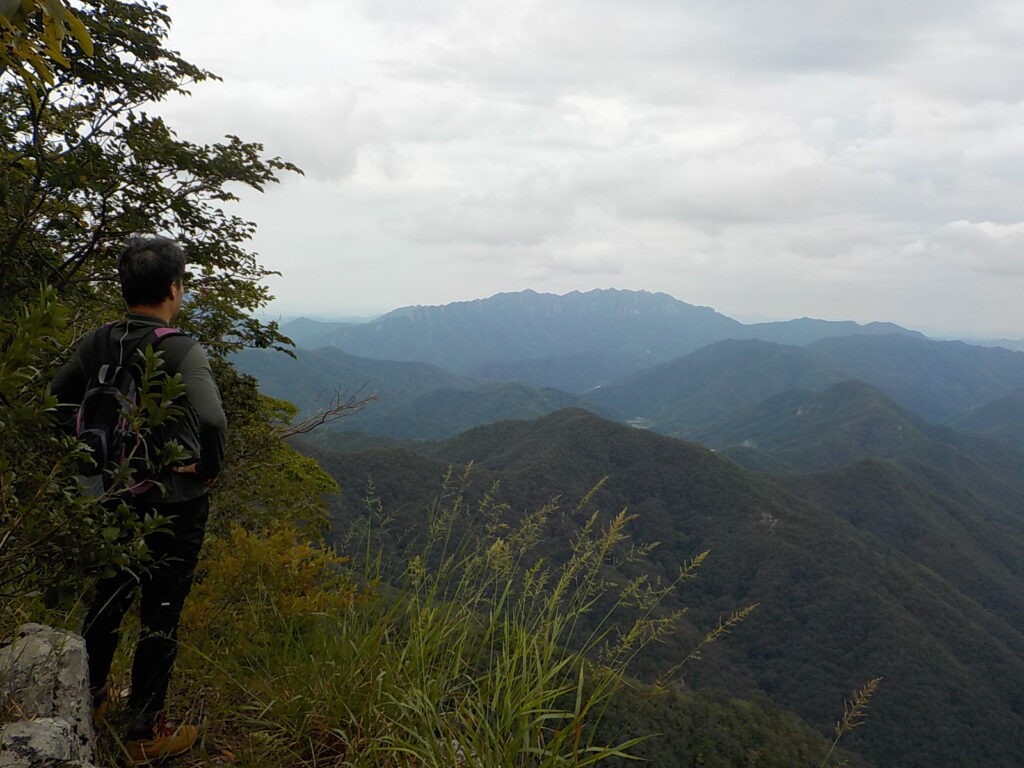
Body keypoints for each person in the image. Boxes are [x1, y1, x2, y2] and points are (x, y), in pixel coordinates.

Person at [51, 235, 226, 764]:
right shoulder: (179, 347)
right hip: (175, 502)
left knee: (106, 600)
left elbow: (56, 400)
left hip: (113, 495)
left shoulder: (98, 341)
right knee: (161, 613)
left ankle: (94, 697)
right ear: (174, 288)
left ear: (125, 288)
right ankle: (145, 732)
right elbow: (214, 418)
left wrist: (91, 455)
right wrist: (207, 467)